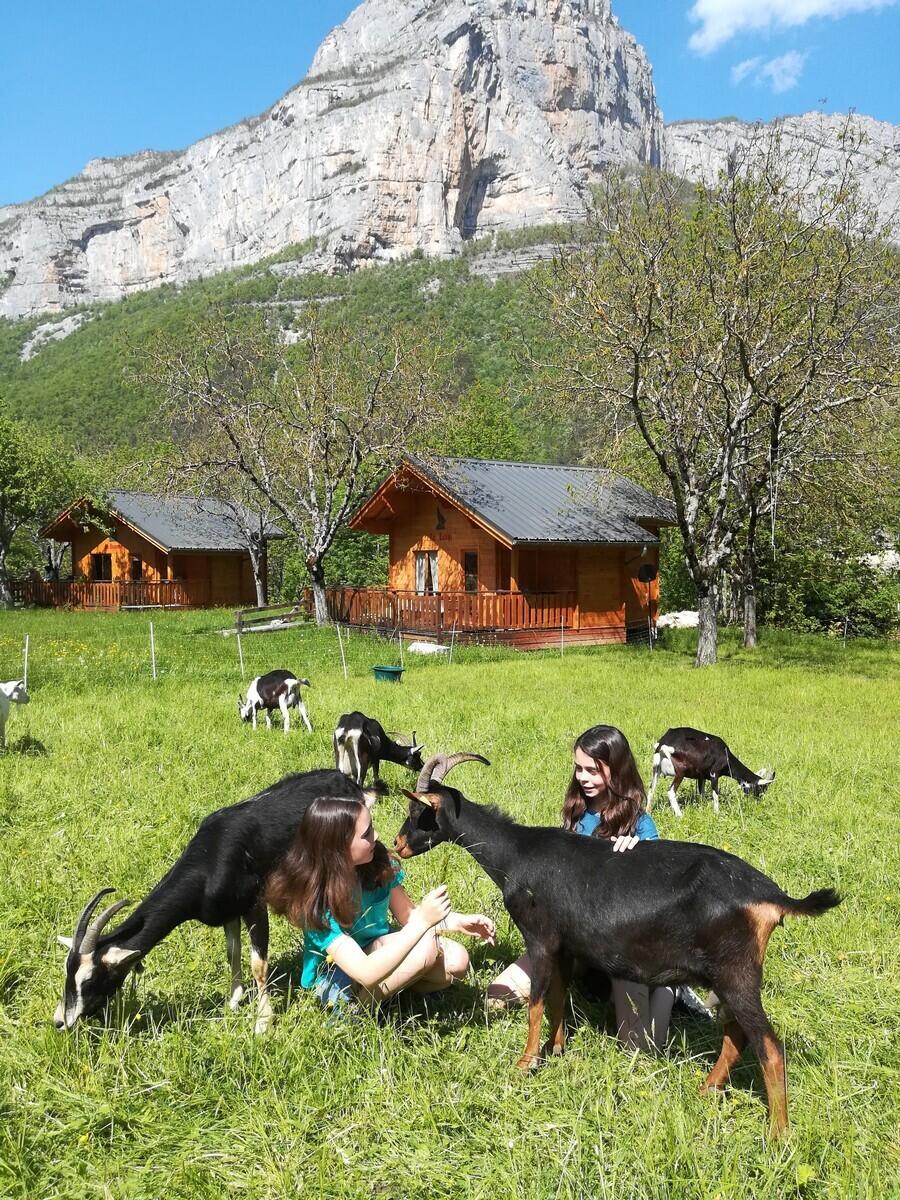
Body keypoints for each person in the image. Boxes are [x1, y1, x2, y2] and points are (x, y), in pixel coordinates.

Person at [486, 724, 678, 1052]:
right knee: (496, 997)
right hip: (572, 942)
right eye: (579, 769)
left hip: (622, 946)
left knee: (639, 1047)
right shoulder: (576, 816)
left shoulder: (639, 824)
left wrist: (638, 856)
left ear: (617, 770)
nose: (583, 778)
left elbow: (661, 890)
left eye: (593, 770)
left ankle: (668, 989)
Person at [266, 795, 495, 1010]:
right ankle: (358, 1010)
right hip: (337, 974)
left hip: (378, 948)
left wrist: (457, 922)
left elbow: (409, 915)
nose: (375, 836)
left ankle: (389, 992)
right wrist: (423, 924)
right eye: (366, 834)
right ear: (338, 847)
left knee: (457, 960)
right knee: (426, 946)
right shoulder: (315, 900)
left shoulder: (378, 864)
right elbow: (365, 971)